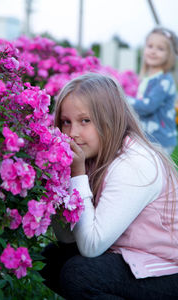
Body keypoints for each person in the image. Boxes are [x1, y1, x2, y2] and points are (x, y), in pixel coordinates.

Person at [40, 72, 178, 300]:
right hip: (131, 256)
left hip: (166, 270)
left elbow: (91, 246)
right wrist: (56, 181)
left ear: (109, 119)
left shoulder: (134, 163)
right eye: (66, 122)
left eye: (85, 121)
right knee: (51, 259)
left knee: (79, 276)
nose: (72, 133)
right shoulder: (95, 156)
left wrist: (77, 174)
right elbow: (68, 239)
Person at [127, 26, 178, 155]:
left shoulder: (164, 80)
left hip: (160, 139)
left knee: (155, 172)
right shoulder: (147, 78)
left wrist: (122, 98)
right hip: (149, 137)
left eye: (160, 49)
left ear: (170, 55)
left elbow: (148, 106)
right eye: (150, 46)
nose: (153, 51)